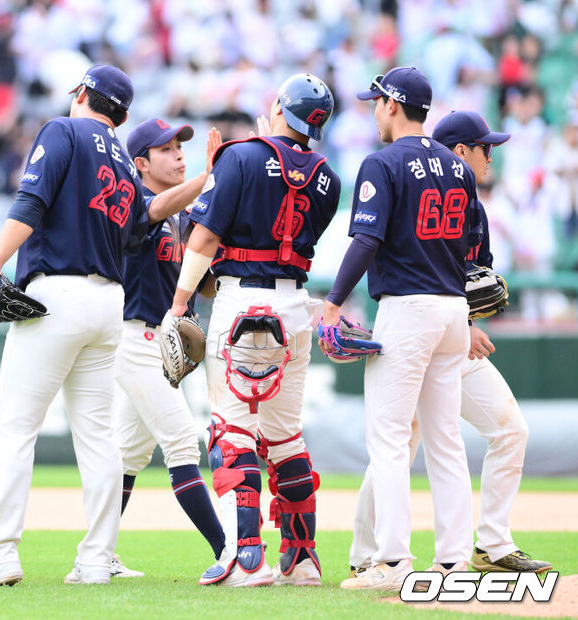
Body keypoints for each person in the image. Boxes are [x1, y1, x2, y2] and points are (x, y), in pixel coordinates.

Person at [0, 64, 192, 588]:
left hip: (56, 293)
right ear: (122, 115)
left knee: (16, 430)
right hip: (109, 303)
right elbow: (139, 229)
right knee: (98, 438)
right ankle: (94, 561)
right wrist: (203, 180)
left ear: (82, 94)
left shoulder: (62, 130)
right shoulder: (127, 164)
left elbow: (31, 203)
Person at [348, 110, 552, 576]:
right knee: (402, 441)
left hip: (451, 335)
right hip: (420, 329)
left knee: (508, 430)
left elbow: (475, 275)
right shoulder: (411, 179)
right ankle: (367, 555)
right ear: (459, 151)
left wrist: (469, 317)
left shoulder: (471, 202)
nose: (491, 154)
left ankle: (492, 544)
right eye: (485, 146)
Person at [167, 73, 341, 588]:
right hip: (294, 305)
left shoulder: (240, 156)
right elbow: (290, 196)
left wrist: (178, 305)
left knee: (231, 432)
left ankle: (247, 558)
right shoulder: (329, 175)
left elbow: (204, 236)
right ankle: (302, 558)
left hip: (241, 298)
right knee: (285, 434)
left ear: (281, 109)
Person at [322, 68, 478, 591]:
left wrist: (333, 302)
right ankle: (455, 558)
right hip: (454, 308)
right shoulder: (459, 167)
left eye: (376, 102)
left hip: (408, 308)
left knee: (388, 440)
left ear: (392, 104)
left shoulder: (382, 161)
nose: (372, 110)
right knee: (445, 440)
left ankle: (392, 562)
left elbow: (365, 242)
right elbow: (475, 246)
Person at [111, 118, 232, 583]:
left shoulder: (182, 216)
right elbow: (153, 209)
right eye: (166, 149)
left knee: (128, 455)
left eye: (181, 146)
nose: (179, 153)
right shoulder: (132, 203)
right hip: (133, 337)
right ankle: (228, 550)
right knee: (182, 441)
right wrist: (209, 178)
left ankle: (96, 553)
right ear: (140, 163)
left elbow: (204, 287)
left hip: (157, 343)